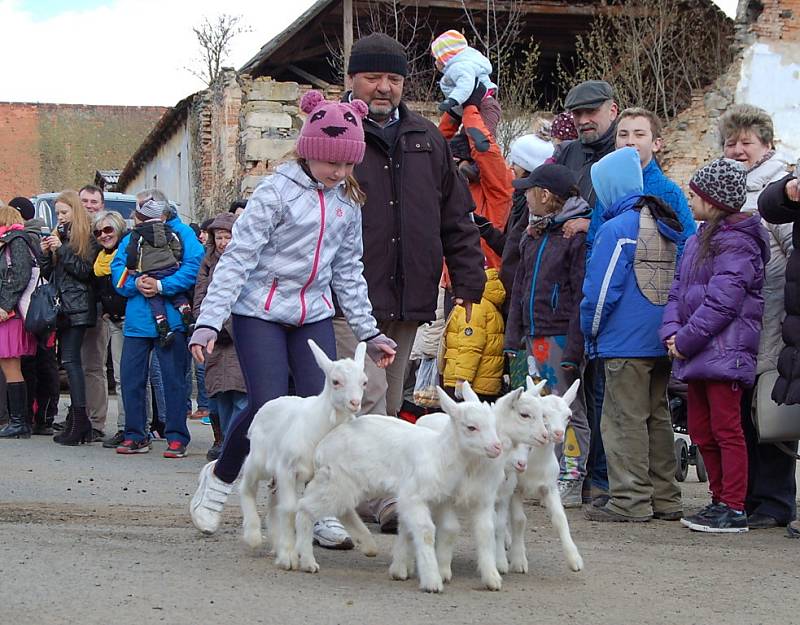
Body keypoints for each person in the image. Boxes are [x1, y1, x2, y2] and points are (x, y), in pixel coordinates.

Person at [187, 90, 397, 547]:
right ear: (307, 151)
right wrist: (208, 321)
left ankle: (315, 505)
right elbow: (237, 259)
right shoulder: (275, 193)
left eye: (347, 166)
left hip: (312, 314)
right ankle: (221, 477)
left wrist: (369, 330)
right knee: (268, 405)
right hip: (259, 310)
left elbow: (348, 271)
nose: (339, 173)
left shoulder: (347, 201)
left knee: (324, 408)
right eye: (330, 164)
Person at [332, 33, 486, 533]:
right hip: (350, 293)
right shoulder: (334, 133)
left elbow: (455, 215)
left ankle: (364, 493)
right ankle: (375, 500)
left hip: (409, 292)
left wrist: (468, 280)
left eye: (394, 79)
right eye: (373, 77)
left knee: (391, 399)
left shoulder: (427, 139)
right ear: (352, 79)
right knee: (367, 396)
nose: (384, 88)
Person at [661, 158, 768, 533]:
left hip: (724, 352)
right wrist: (671, 332)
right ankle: (716, 499)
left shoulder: (739, 243)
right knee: (701, 429)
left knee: (727, 429)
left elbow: (723, 302)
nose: (690, 200)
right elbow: (677, 290)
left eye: (695, 195)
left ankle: (734, 506)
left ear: (716, 200)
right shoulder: (696, 238)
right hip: (695, 351)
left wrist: (685, 340)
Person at [580, 147, 683, 523]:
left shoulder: (617, 229)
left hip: (624, 341)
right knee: (656, 417)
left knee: (623, 418)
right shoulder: (662, 223)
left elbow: (601, 291)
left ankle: (630, 499)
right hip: (659, 340)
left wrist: (590, 334)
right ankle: (665, 497)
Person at [719, 104, 796, 530]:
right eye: (731, 142)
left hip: (773, 315)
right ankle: (745, 496)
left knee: (770, 407)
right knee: (739, 409)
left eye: (747, 141)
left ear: (767, 144)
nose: (738, 149)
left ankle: (776, 500)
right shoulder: (720, 187)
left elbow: (791, 247)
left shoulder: (781, 189)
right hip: (735, 320)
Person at [504, 164, 590, 507]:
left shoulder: (575, 237)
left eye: (529, 190)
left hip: (558, 336)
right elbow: (519, 290)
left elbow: (580, 293)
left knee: (565, 411)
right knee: (534, 410)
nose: (524, 196)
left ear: (545, 195)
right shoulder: (532, 235)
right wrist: (513, 339)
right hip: (532, 335)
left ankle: (571, 475)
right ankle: (540, 477)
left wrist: (573, 347)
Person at [111, 189, 203, 458]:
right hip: (138, 321)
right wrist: (136, 283)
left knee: (174, 380)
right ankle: (135, 434)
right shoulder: (131, 238)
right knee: (131, 380)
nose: (137, 213)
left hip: (171, 320)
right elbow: (119, 269)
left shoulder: (183, 234)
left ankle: (176, 436)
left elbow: (193, 267)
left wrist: (162, 285)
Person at [586, 107, 697, 258]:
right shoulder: (609, 188)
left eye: (639, 135)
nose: (630, 142)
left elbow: (687, 246)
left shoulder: (669, 192)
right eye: (623, 135)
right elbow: (594, 241)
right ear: (615, 144)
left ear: (656, 144)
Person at [757, 163, 800, 539]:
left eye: (746, 143)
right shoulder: (784, 185)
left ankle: (778, 501)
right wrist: (789, 189)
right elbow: (772, 204)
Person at [40, 190, 97, 446]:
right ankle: (76, 421)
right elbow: (50, 273)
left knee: (72, 362)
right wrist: (46, 252)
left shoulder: (86, 237)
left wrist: (61, 250)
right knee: (69, 361)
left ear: (75, 211)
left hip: (78, 306)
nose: (60, 217)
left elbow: (85, 272)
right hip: (62, 307)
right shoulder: (61, 234)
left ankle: (80, 420)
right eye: (58, 213)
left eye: (64, 212)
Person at [439, 82, 513, 269]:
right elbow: (434, 147)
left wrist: (470, 109)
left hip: (485, 284)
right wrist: (454, 114)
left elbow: (484, 149)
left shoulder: (498, 187)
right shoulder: (453, 183)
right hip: (454, 280)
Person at [192, 212, 246, 461]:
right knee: (219, 395)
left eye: (228, 236)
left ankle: (240, 447)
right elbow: (201, 295)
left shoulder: (246, 260)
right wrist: (205, 324)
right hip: (214, 338)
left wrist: (229, 327)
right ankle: (224, 442)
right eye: (219, 237)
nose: (224, 242)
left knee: (240, 394)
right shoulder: (207, 263)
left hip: (238, 339)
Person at [10, 196, 60, 435]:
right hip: (42, 311)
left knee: (32, 364)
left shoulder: (22, 238)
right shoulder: (39, 235)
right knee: (43, 363)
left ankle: (33, 417)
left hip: (31, 311)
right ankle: (42, 417)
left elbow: (21, 277)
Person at [123, 198, 194, 346]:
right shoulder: (168, 230)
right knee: (177, 294)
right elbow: (177, 244)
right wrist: (176, 259)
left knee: (154, 298)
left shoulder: (137, 233)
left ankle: (163, 325)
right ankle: (186, 311)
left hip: (150, 271)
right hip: (170, 268)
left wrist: (132, 268)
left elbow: (131, 252)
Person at [90, 210, 129, 449]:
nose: (103, 235)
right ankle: (127, 427)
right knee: (118, 377)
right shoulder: (100, 258)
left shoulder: (126, 252)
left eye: (108, 230)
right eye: (98, 232)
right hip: (112, 320)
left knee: (128, 378)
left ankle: (131, 427)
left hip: (128, 320)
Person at [0, 206, 38, 439]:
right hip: (9, 312)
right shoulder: (13, 240)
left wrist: (5, 305)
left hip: (10, 315)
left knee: (11, 366)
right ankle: (19, 420)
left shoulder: (16, 241)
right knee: (9, 366)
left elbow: (21, 276)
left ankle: (19, 421)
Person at [442, 267, 505, 402]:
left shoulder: (475, 306)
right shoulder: (488, 303)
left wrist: (462, 380)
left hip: (470, 387)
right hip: (484, 383)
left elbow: (470, 346)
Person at [431, 29, 500, 135]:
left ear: (445, 57)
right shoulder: (459, 66)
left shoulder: (459, 67)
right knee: (467, 138)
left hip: (484, 106)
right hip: (472, 107)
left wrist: (452, 100)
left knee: (481, 139)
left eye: (437, 58)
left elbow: (466, 84)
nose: (435, 63)